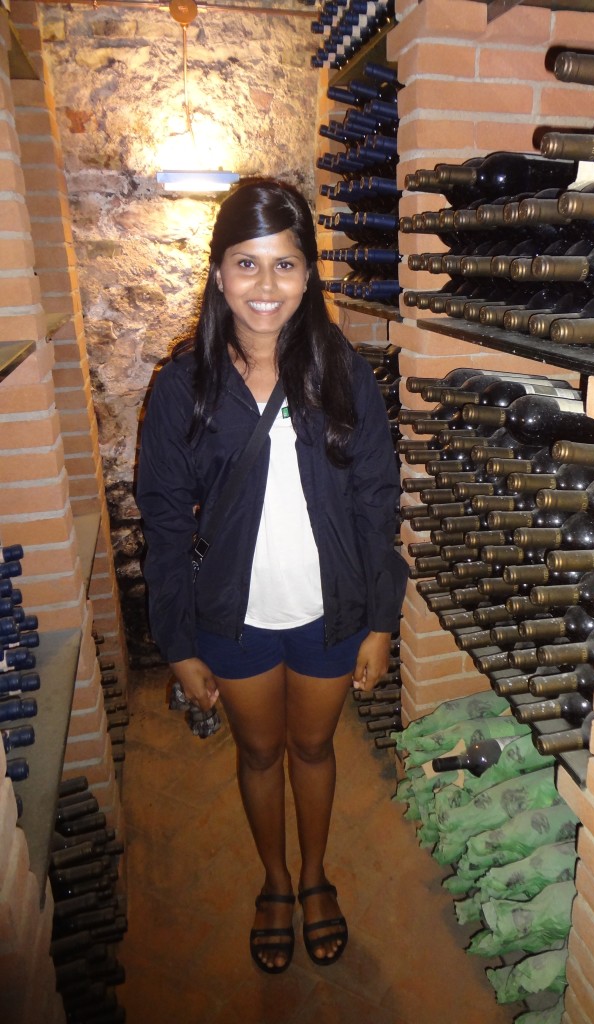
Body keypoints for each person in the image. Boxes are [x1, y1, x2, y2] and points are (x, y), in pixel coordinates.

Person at [136, 178, 408, 974]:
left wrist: (381, 620)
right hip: (234, 618)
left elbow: (375, 499)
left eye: (285, 265)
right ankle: (277, 882)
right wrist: (178, 642)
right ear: (219, 273)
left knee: (314, 749)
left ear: (308, 275)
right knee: (259, 755)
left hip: (332, 612)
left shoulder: (342, 374)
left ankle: (318, 876)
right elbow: (160, 519)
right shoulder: (183, 387)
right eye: (247, 265)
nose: (265, 287)